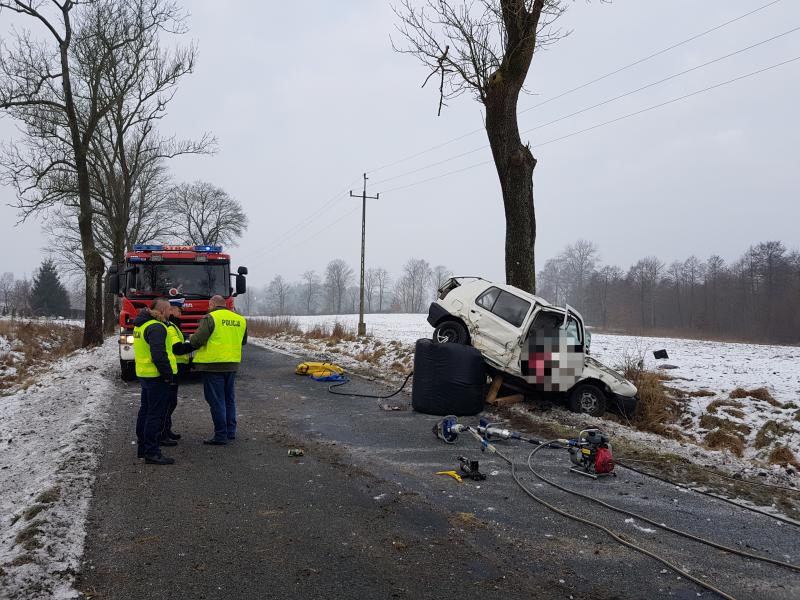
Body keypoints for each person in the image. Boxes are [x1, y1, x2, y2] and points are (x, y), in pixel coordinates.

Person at [188, 295, 247, 445]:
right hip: (232, 364)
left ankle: (220, 435)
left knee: (216, 401)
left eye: (209, 305)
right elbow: (243, 341)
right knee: (229, 399)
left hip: (212, 365)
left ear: (212, 304)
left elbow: (197, 341)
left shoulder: (210, 318)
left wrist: (191, 337)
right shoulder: (240, 319)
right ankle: (230, 432)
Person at [133, 298, 178, 465]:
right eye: (169, 309)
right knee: (155, 415)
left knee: (145, 411)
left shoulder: (141, 325)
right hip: (157, 376)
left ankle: (143, 448)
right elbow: (159, 355)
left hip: (145, 374)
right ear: (162, 310)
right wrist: (168, 375)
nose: (171, 312)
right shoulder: (157, 327)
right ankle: (152, 452)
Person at [161, 298, 189, 443]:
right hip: (172, 368)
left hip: (175, 367)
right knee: (169, 402)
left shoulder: (173, 325)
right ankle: (162, 433)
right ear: (171, 310)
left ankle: (167, 430)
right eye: (179, 311)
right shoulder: (171, 327)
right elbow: (177, 348)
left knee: (170, 401)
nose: (181, 314)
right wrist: (193, 345)